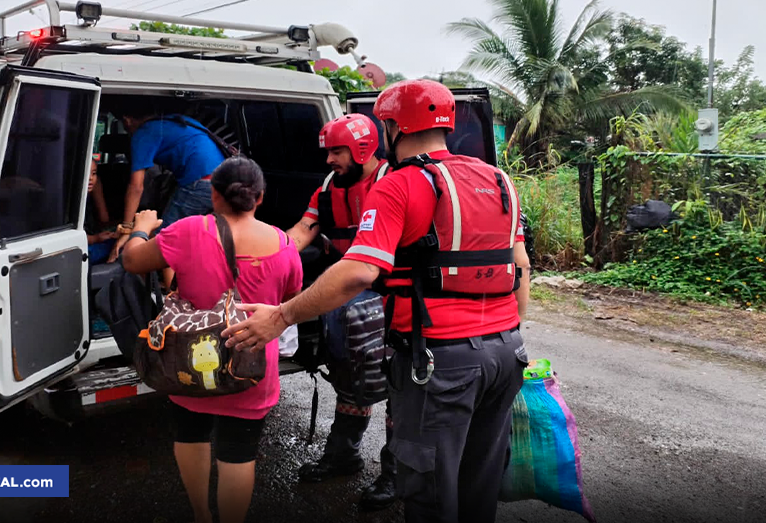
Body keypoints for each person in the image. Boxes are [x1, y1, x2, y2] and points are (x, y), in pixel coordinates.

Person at [222, 79, 532, 523]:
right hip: (506, 353)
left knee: (428, 492)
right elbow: (519, 263)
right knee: (476, 484)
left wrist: (282, 316)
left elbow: (360, 270)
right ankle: (345, 452)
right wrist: (507, 332)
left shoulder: (400, 184)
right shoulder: (499, 179)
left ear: (389, 127)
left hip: (439, 359)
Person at [122, 156, 303, 523]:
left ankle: (201, 514)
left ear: (214, 195)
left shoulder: (188, 231)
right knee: (239, 452)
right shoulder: (285, 245)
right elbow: (288, 297)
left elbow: (132, 261)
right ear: (260, 197)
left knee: (191, 434)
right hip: (250, 366)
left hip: (189, 364)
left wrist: (140, 228)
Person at [284, 114, 396, 511]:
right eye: (328, 150)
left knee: (398, 389)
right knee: (349, 381)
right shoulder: (329, 187)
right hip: (342, 300)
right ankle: (343, 454)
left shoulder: (394, 182)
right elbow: (303, 230)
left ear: (363, 148)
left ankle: (395, 472)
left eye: (337, 151)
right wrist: (263, 257)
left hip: (387, 302)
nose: (329, 159)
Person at [109, 106, 227, 269]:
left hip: (200, 183)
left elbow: (136, 186)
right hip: (224, 180)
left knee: (164, 240)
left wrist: (128, 228)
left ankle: (162, 289)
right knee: (195, 234)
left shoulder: (143, 134)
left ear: (127, 120)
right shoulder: (175, 120)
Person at [85, 159, 117, 265]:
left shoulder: (91, 192)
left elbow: (104, 219)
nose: (90, 178)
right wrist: (95, 239)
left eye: (94, 173)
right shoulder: (66, 201)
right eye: (85, 172)